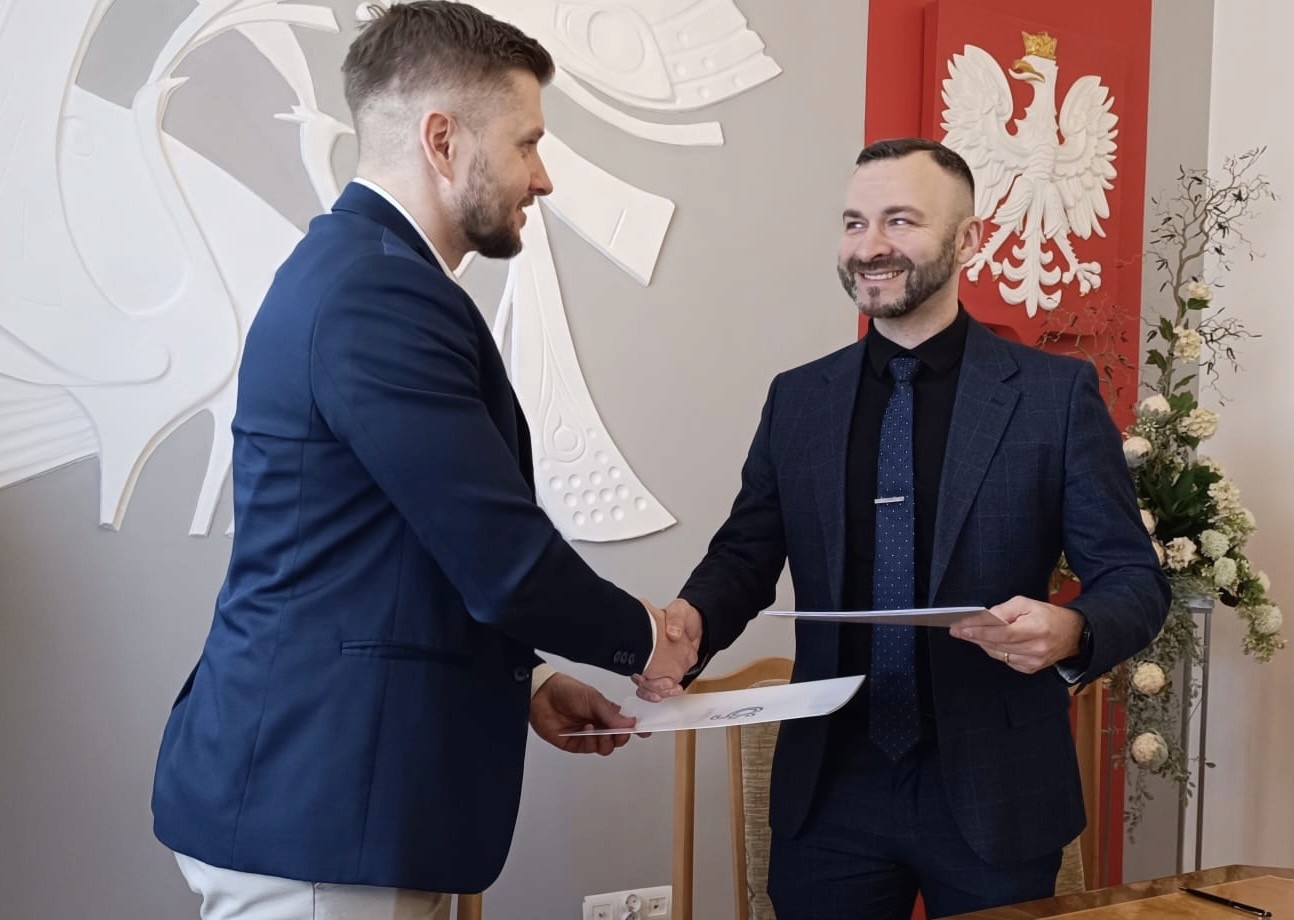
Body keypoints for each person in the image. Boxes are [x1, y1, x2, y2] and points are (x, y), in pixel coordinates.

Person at [150, 4, 700, 918]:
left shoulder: (365, 275)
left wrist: (525, 677)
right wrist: (648, 637)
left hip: (327, 798)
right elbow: (501, 558)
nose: (543, 176)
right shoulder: (377, 294)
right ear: (442, 139)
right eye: (526, 142)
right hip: (321, 810)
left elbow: (406, 550)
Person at [636, 138, 1169, 918]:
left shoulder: (1054, 397)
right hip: (831, 790)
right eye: (854, 223)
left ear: (968, 241)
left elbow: (1134, 579)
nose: (871, 246)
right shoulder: (798, 399)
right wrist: (688, 630)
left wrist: (1073, 629)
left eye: (900, 221)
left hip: (998, 788)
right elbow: (746, 555)